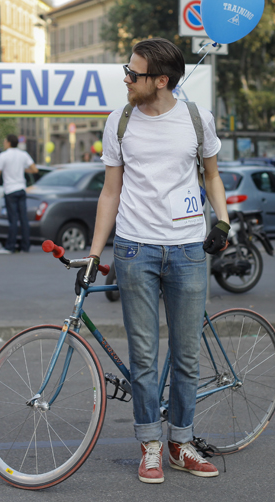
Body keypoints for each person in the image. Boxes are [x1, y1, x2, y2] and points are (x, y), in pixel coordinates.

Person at [86, 38, 231, 484]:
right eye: (126, 70)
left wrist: (223, 222)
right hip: (134, 249)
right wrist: (95, 253)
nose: (126, 79)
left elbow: (212, 176)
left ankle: (180, 443)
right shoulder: (120, 121)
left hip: (188, 250)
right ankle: (150, 445)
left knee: (187, 355)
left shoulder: (195, 119)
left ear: (161, 80)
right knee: (144, 356)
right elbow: (110, 192)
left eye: (134, 73)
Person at [0, 134, 38, 254]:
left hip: (10, 190)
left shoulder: (3, 156)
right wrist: (23, 169)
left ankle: (10, 246)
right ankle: (25, 246)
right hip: (21, 189)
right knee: (24, 219)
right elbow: (35, 170)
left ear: (8, 143)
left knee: (13, 219)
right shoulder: (23, 154)